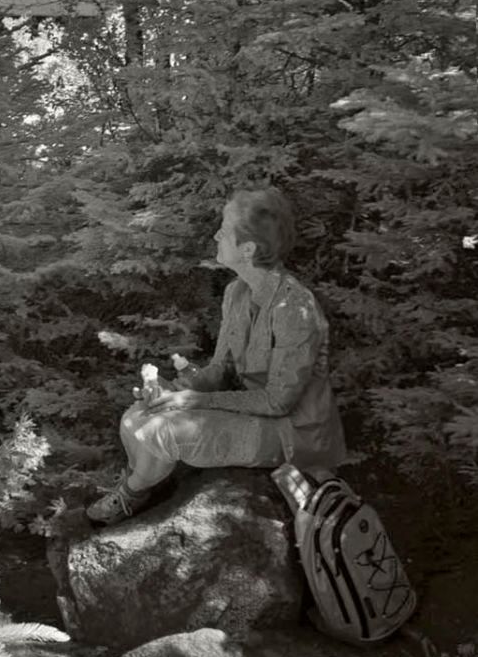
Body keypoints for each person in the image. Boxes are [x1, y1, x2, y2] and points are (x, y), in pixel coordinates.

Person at [86, 187, 348, 525]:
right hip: (255, 414)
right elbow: (220, 368)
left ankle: (131, 494)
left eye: (224, 231)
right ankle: (146, 488)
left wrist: (194, 402)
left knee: (158, 432)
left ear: (248, 248)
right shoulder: (236, 292)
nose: (216, 235)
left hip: (294, 432)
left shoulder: (294, 307)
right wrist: (172, 390)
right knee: (136, 415)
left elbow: (278, 403)